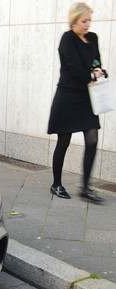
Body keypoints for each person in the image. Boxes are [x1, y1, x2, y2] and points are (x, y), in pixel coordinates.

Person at [47, 2, 105, 202]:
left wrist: (99, 71)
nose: (88, 24)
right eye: (84, 21)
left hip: (86, 97)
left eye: (89, 20)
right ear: (74, 21)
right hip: (68, 96)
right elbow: (71, 66)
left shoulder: (92, 38)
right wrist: (90, 78)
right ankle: (56, 184)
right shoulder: (67, 38)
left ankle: (86, 188)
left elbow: (96, 60)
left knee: (92, 139)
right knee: (64, 141)